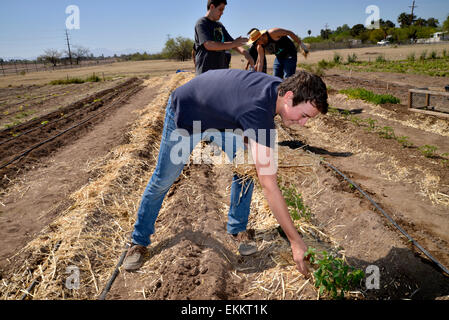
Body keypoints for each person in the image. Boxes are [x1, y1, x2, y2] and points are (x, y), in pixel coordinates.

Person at [124, 69, 329, 277]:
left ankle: (237, 228)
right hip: (188, 114)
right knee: (163, 179)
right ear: (289, 97)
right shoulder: (257, 109)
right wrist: (295, 241)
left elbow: (245, 115)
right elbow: (269, 184)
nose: (303, 123)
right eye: (304, 116)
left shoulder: (278, 90)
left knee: (246, 168)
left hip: (220, 120)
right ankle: (138, 241)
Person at [194, 0, 254, 74]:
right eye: (220, 9)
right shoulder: (201, 23)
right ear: (212, 7)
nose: (222, 13)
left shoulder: (220, 26)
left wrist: (245, 53)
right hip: (206, 72)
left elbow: (233, 44)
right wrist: (234, 43)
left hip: (221, 72)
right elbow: (209, 45)